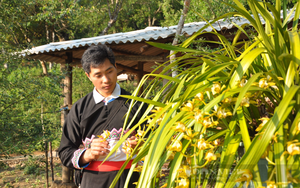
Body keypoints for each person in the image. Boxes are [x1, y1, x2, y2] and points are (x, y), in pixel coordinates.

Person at [58, 44, 146, 188]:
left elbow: (158, 140)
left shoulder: (138, 104)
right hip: (93, 182)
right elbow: (65, 152)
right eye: (98, 75)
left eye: (109, 71)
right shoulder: (80, 109)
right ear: (88, 76)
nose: (106, 80)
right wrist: (88, 154)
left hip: (132, 180)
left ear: (116, 67)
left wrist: (142, 144)